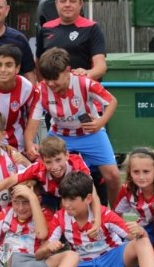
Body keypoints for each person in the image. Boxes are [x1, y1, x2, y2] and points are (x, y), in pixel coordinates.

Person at [25, 47, 122, 205]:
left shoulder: (84, 82)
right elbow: (34, 119)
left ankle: (116, 218)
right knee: (42, 173)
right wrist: (29, 143)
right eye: (46, 78)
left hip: (90, 134)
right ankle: (53, 216)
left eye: (54, 78)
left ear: (68, 71)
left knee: (113, 175)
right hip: (60, 136)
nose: (50, 83)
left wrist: (100, 122)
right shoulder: (41, 90)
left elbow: (112, 101)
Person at [0, 136, 102, 229]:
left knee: (76, 207)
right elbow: (10, 180)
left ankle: (77, 232)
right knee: (46, 221)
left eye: (58, 160)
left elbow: (92, 192)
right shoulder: (38, 167)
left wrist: (97, 220)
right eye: (49, 162)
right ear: (42, 160)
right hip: (50, 196)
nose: (55, 166)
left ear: (67, 155)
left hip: (70, 196)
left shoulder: (77, 164)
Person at [36, 0, 107, 81]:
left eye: (72, 1)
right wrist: (44, 85)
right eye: (63, 1)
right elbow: (38, 63)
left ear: (80, 4)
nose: (67, 5)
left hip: (83, 91)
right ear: (56, 4)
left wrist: (86, 74)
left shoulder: (92, 28)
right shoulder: (46, 28)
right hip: (53, 91)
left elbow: (101, 67)